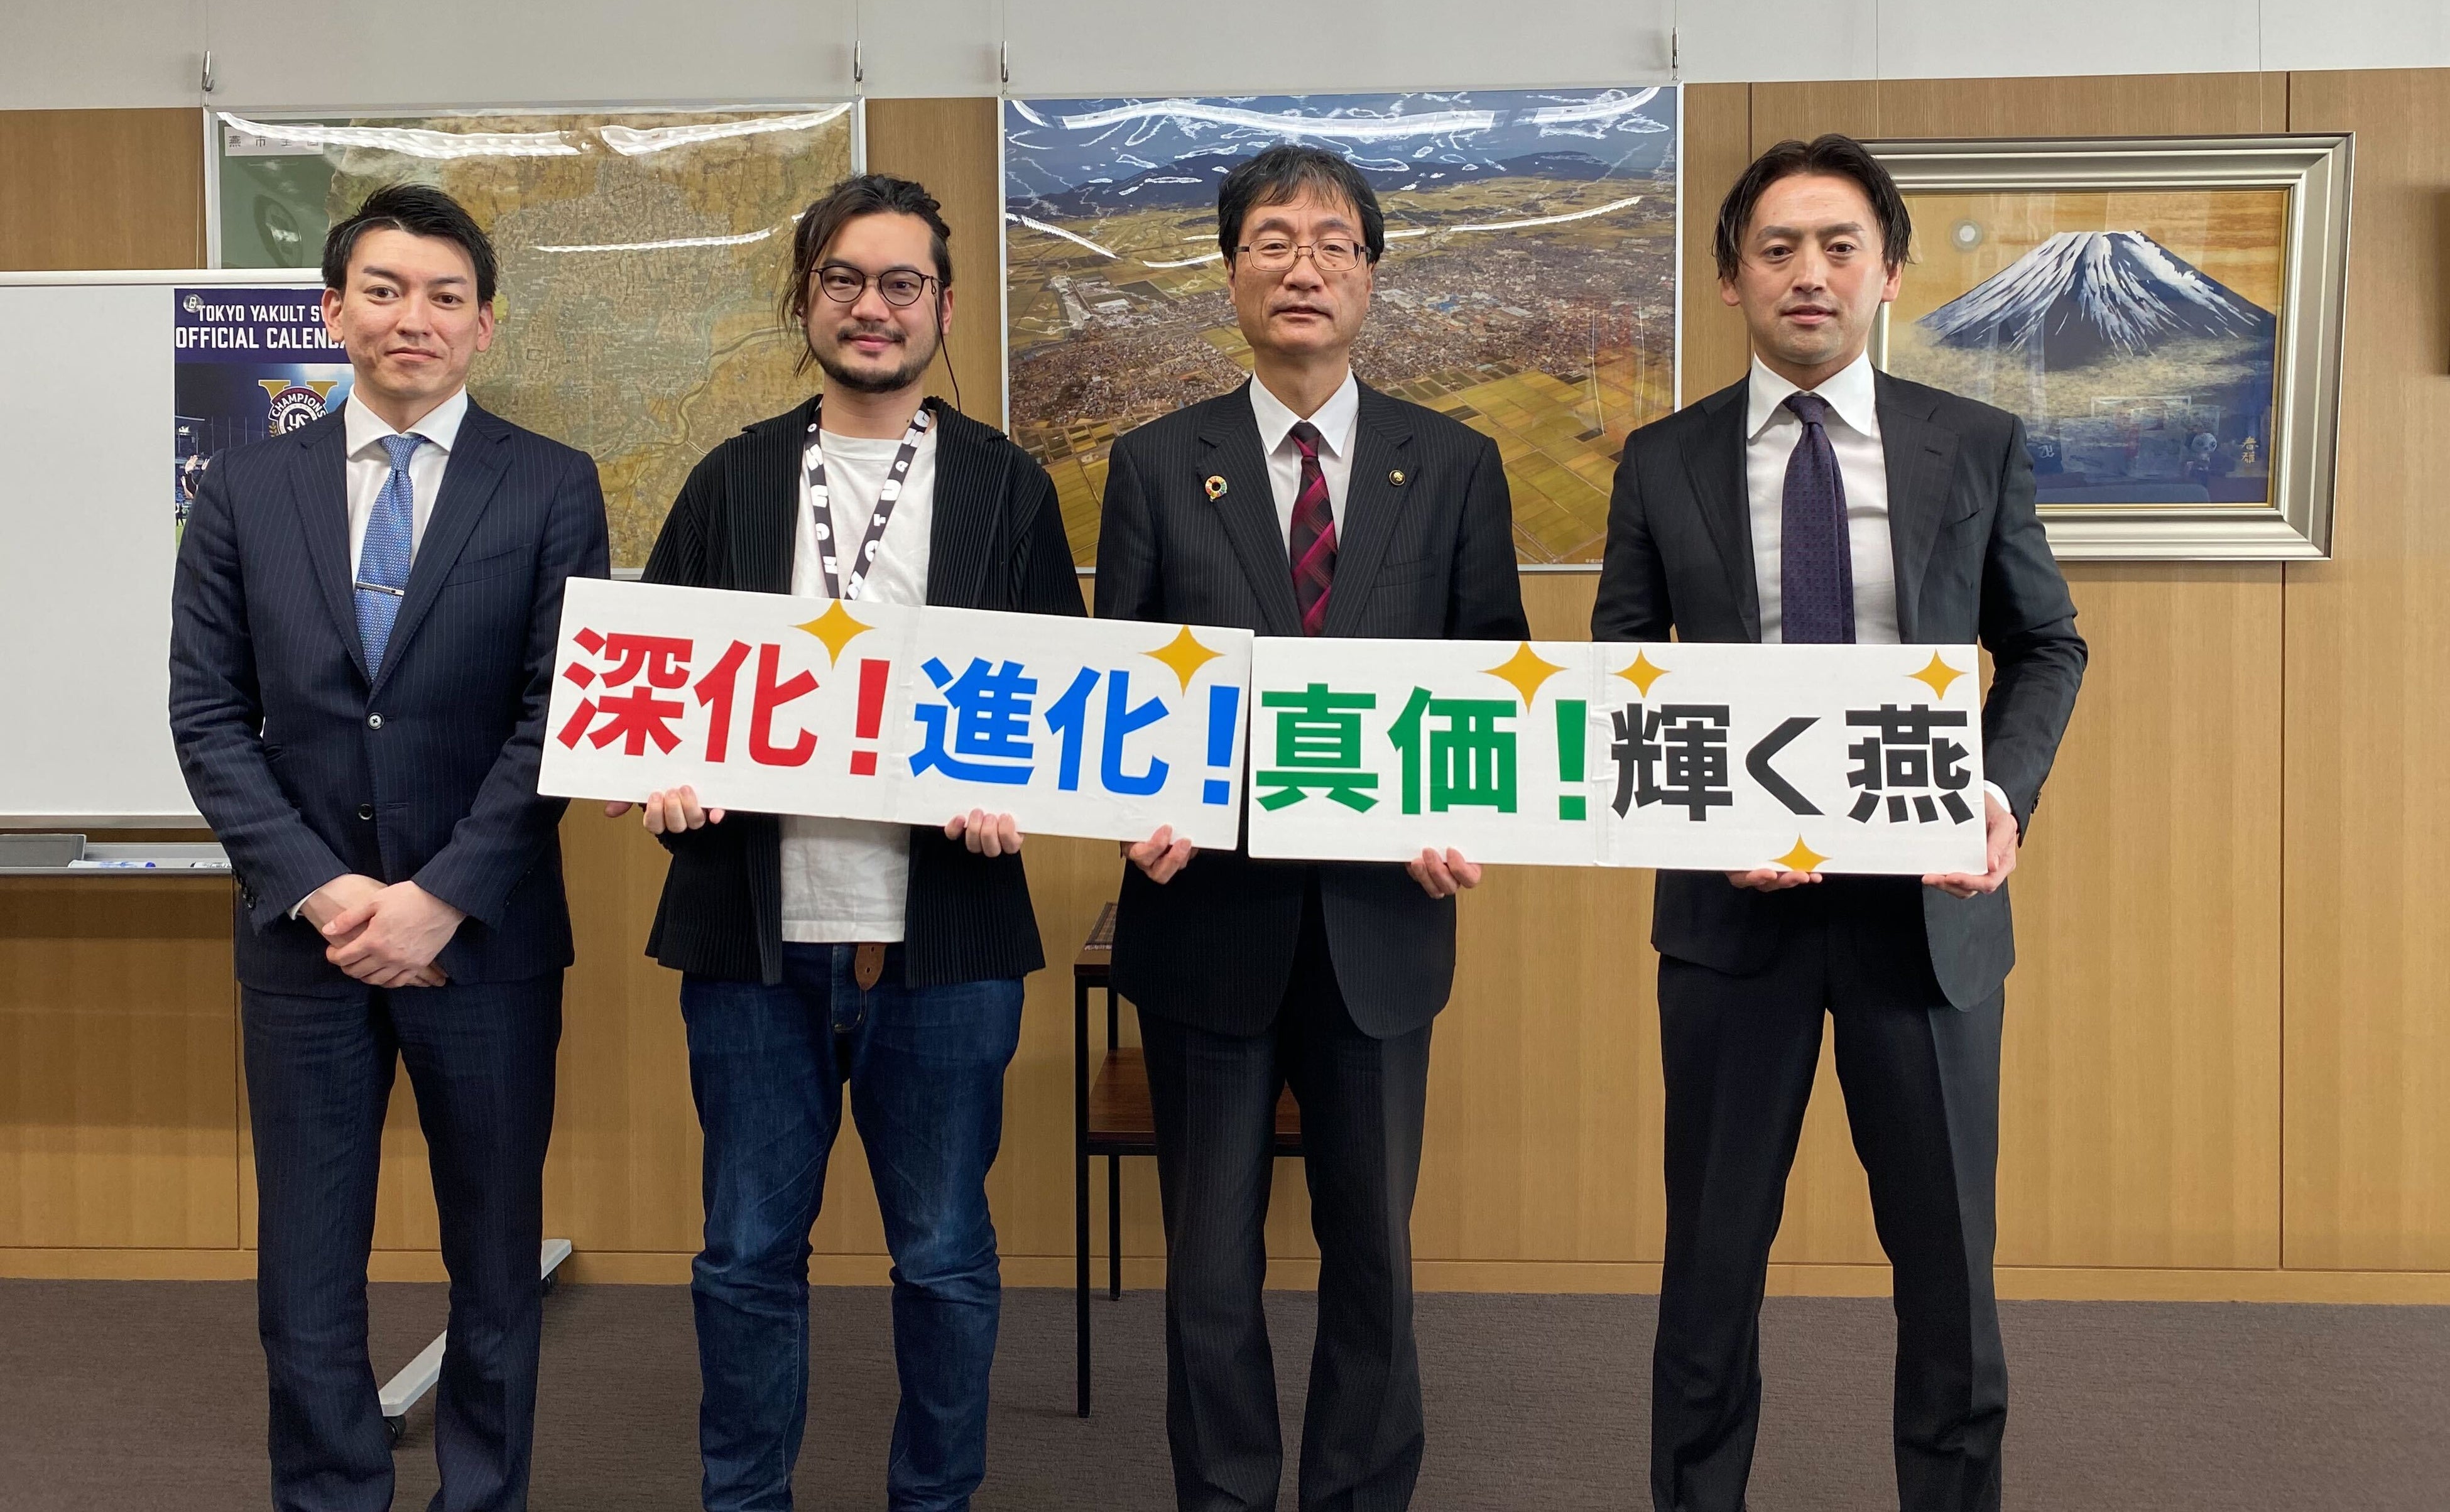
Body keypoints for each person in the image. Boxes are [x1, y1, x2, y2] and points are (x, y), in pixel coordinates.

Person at [1593, 135, 2088, 1512]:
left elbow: (2046, 644)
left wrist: (1998, 792)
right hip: (1731, 916)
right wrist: (1705, 814)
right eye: (1777, 248)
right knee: (1709, 1274)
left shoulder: (1971, 445)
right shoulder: (1663, 459)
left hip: (1923, 923)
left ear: (1889, 272)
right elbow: (1620, 672)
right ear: (1732, 276)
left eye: (1839, 246)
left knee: (1949, 1279)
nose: (1808, 272)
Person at [621, 173, 1083, 1512]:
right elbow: (651, 687)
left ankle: (934, 1498)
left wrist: (1020, 788)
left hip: (947, 941)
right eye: (843, 279)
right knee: (745, 1254)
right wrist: (659, 777)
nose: (871, 306)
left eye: (900, 283)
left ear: (943, 305)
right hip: (754, 938)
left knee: (942, 1255)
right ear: (806, 298)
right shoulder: (733, 477)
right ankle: (744, 1498)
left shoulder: (1007, 486)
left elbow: (1062, 694)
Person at [1095, 143, 1527, 1512]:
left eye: (1333, 243)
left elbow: (1497, 673)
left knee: (1375, 1255)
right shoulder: (1155, 463)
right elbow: (1115, 683)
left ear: (1370, 275)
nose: (1303, 266)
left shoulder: (1451, 463)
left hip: (1381, 923)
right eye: (1272, 241)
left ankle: (1360, 1492)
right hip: (1206, 919)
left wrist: (1463, 808)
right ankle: (1223, 1493)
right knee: (1209, 1266)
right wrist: (1129, 806)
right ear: (1231, 272)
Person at [170, 183, 609, 1512]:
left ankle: (482, 1496)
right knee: (306, 1271)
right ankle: (330, 1495)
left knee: (495, 1261)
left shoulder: (553, 482)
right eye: (383, 289)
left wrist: (441, 897)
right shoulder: (245, 486)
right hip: (304, 950)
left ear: (484, 325)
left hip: (489, 942)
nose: (412, 316)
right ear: (332, 311)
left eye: (444, 295)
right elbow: (207, 715)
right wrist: (325, 891)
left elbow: (557, 715)